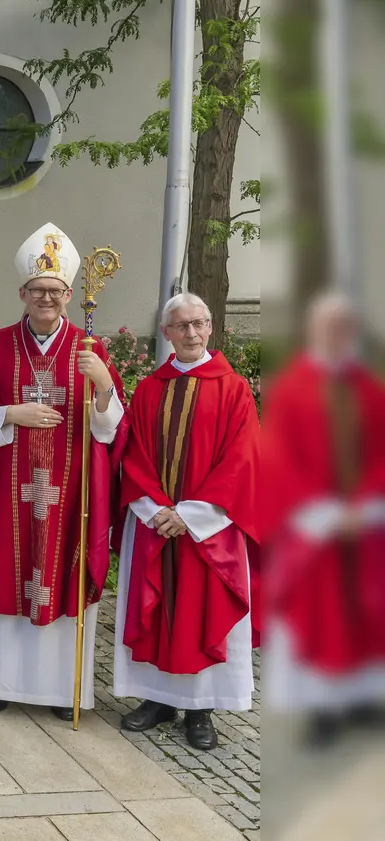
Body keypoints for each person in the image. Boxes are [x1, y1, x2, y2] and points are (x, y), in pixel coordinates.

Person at [0, 224, 124, 719]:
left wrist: (103, 390)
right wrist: (11, 414)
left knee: (62, 576)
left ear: (70, 295)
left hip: (70, 492)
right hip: (12, 487)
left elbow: (111, 430)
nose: (46, 298)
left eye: (55, 291)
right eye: (37, 291)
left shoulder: (90, 351)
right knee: (10, 572)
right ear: (22, 293)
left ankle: (59, 690)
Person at [113, 293, 259, 751]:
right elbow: (132, 454)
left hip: (208, 529)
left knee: (202, 612)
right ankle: (157, 700)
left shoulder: (232, 388)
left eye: (199, 324)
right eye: (181, 326)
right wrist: (156, 511)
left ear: (211, 327)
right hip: (155, 521)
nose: (192, 333)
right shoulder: (151, 389)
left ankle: (201, 709)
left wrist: (191, 515)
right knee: (157, 611)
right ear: (166, 333)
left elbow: (242, 458)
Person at [261, 294, 385, 741]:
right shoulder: (292, 388)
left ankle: (363, 699)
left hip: (366, 524)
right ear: (314, 333)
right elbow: (277, 459)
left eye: (345, 329)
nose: (339, 338)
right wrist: (324, 513)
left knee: (369, 614)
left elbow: (381, 453)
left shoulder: (368, 388)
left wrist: (365, 506)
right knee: (322, 617)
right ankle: (323, 709)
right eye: (330, 329)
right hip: (314, 525)